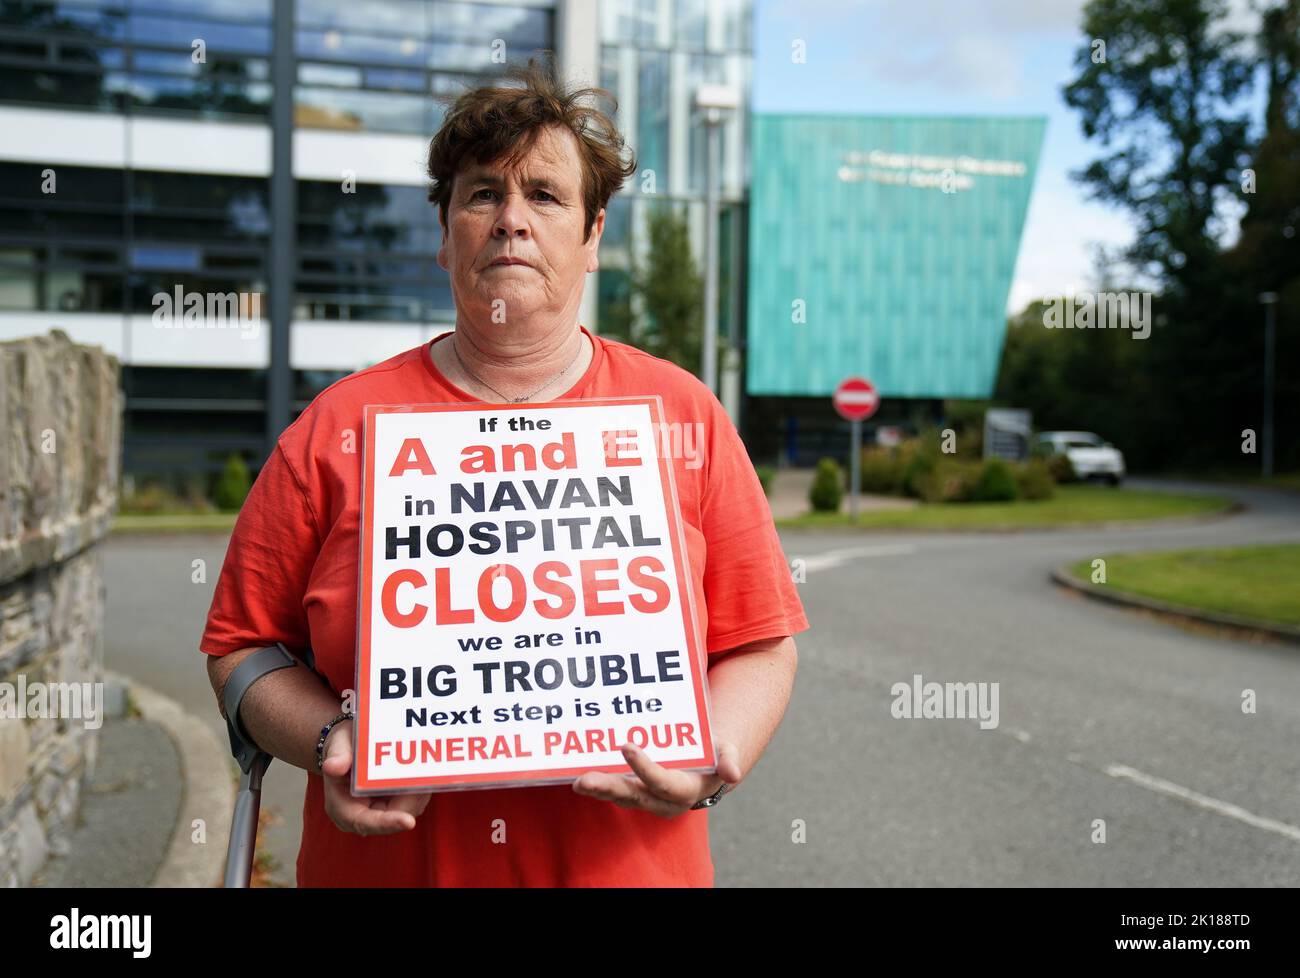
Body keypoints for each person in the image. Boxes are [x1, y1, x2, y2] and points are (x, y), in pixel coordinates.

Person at [201, 59, 808, 887]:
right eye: (483, 194)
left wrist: (714, 757)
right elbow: (241, 647)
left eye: (546, 196)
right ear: (444, 231)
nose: (511, 221)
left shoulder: (683, 415)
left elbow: (760, 643)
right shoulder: (336, 428)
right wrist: (326, 743)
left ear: (592, 238)